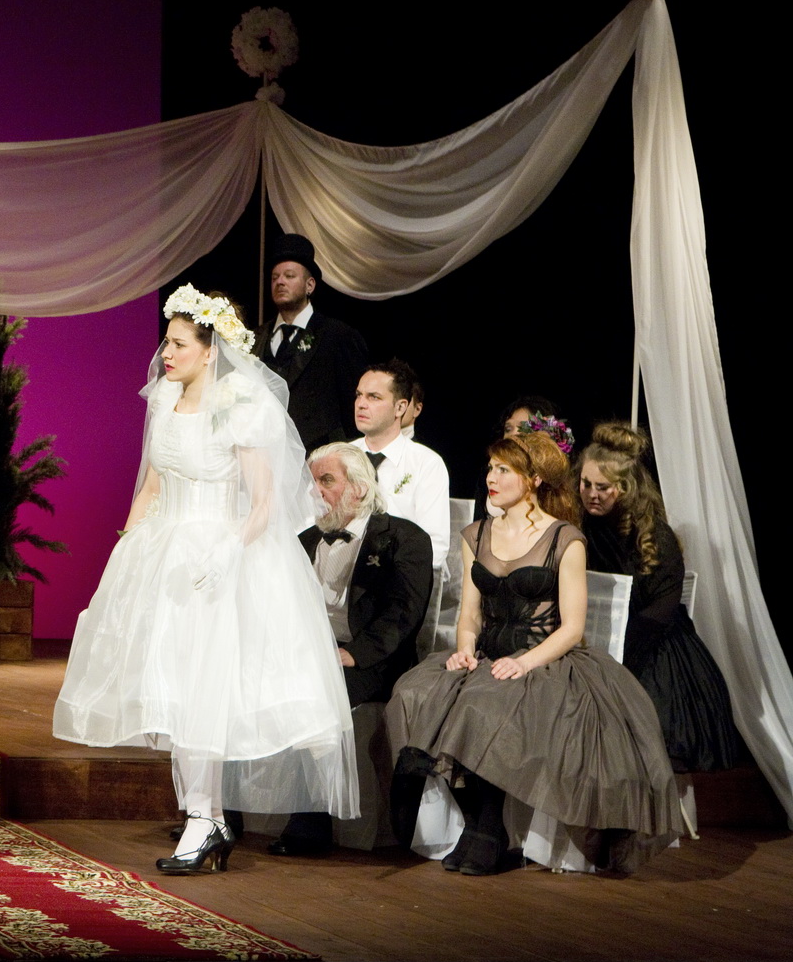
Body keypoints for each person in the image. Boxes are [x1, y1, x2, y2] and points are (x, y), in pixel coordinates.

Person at [55, 285, 356, 875]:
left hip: (219, 556)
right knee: (175, 690)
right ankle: (206, 817)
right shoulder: (165, 398)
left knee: (203, 692)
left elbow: (265, 502)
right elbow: (152, 483)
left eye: (179, 344)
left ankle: (204, 820)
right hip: (165, 555)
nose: (167, 354)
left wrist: (228, 549)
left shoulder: (240, 403)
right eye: (166, 343)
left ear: (210, 349)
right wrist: (124, 550)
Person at [387, 431, 683, 876]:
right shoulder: (476, 534)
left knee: (484, 704)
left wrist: (525, 661)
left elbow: (573, 628)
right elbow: (470, 615)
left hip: (543, 659)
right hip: (487, 654)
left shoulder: (565, 539)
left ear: (533, 480)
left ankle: (488, 830)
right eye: (491, 468)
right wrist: (464, 649)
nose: (491, 477)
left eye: (504, 470)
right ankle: (469, 820)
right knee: (413, 693)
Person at [270, 443, 433, 857]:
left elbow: (404, 612)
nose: (316, 491)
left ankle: (311, 821)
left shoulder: (404, 539)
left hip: (373, 660)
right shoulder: (304, 541)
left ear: (359, 488)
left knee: (317, 692)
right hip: (311, 654)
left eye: (326, 480)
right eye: (312, 482)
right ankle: (222, 817)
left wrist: (353, 654)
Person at [578, 422, 745, 772]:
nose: (592, 493)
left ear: (626, 487)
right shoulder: (580, 528)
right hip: (593, 639)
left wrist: (614, 657)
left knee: (652, 727)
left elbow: (660, 612)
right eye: (586, 483)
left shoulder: (655, 536)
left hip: (653, 646)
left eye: (603, 487)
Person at [260, 234, 368, 451]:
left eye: (289, 276)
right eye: (274, 277)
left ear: (309, 285)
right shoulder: (256, 337)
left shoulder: (337, 336)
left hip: (318, 452)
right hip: (265, 450)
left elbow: (352, 402)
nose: (280, 282)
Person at [350, 360, 450, 569]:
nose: (361, 404)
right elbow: (311, 523)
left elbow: (434, 547)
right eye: (359, 395)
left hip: (397, 577)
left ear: (401, 407)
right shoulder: (339, 456)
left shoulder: (426, 463)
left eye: (374, 397)